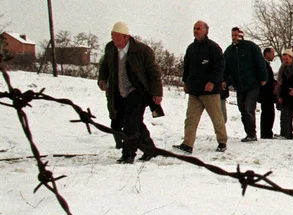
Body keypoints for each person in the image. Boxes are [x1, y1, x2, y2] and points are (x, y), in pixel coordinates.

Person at [97, 21, 163, 164]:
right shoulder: (110, 48)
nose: (115, 42)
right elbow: (104, 65)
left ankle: (128, 154)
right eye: (113, 38)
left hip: (137, 91)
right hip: (118, 92)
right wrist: (102, 78)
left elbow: (154, 73)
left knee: (130, 124)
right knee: (132, 122)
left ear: (126, 37)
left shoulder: (142, 50)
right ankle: (149, 149)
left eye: (118, 39)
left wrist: (157, 92)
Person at [173, 20, 228, 154]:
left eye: (198, 28)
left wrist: (212, 82)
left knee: (217, 118)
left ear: (206, 31)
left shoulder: (214, 48)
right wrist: (185, 81)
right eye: (194, 28)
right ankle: (187, 144)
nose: (196, 31)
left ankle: (222, 142)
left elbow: (220, 67)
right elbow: (186, 67)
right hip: (194, 91)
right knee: (190, 119)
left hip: (210, 92)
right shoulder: (191, 48)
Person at [223, 27, 268, 142]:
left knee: (249, 109)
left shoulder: (251, 47)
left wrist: (263, 78)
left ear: (241, 35)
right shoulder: (229, 51)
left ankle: (252, 133)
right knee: (242, 109)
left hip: (252, 84)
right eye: (232, 35)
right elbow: (225, 68)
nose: (234, 37)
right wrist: (225, 81)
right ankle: (248, 132)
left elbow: (260, 62)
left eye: (236, 35)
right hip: (239, 86)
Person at [258, 47, 277, 139]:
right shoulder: (263, 64)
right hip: (266, 94)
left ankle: (266, 132)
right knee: (268, 113)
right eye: (272, 53)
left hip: (267, 94)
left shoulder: (265, 64)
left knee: (268, 113)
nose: (274, 55)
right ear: (267, 53)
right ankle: (266, 133)